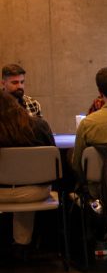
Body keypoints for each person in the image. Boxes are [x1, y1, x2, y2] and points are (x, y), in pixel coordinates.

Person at [0, 91, 56, 252]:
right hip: (35, 193)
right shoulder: (40, 126)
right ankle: (23, 244)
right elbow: (53, 162)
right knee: (28, 184)